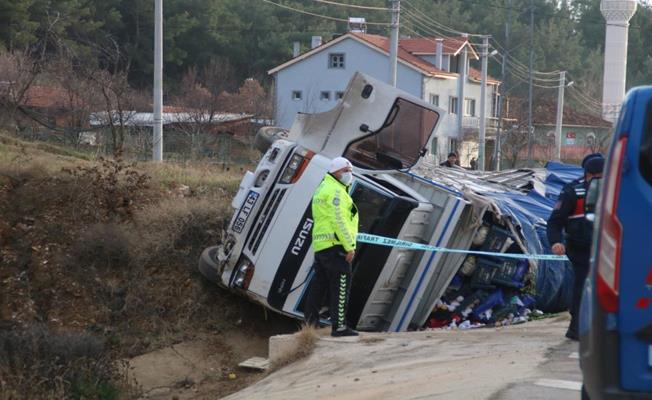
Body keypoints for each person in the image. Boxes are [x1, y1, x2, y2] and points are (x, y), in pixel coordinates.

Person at [547, 153, 605, 341]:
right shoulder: (573, 191)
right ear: (588, 175)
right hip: (581, 248)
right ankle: (577, 328)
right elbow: (555, 221)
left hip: (607, 249)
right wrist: (556, 242)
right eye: (597, 176)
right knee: (583, 285)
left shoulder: (615, 191)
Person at [305, 156, 360, 337]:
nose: (349, 175)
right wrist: (349, 246)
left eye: (350, 172)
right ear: (335, 172)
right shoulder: (336, 191)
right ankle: (340, 326)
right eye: (346, 171)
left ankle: (310, 325)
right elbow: (339, 220)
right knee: (341, 285)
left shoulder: (323, 188)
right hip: (336, 245)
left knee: (318, 286)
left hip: (322, 245)